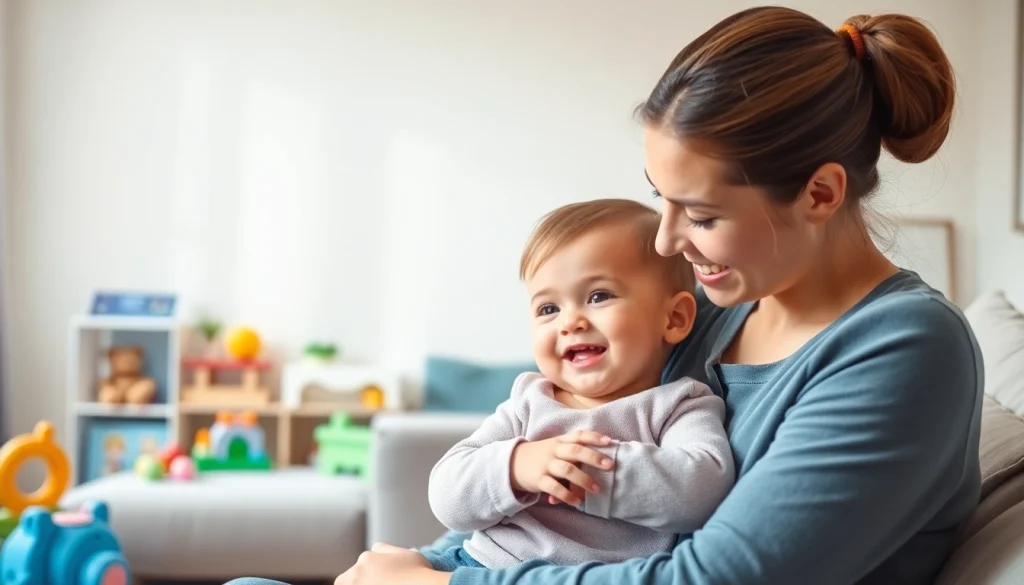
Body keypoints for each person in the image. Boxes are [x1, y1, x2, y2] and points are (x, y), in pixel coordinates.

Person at [227, 5, 983, 585]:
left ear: (820, 192)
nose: (665, 241)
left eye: (704, 214)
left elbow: (718, 578)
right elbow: (533, 468)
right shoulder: (720, 310)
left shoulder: (902, 350)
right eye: (660, 198)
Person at [422, 199, 735, 571]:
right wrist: (518, 466)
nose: (569, 322)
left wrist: (583, 469)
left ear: (674, 318)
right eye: (548, 309)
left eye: (598, 296)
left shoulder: (679, 405)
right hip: (478, 565)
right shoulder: (530, 401)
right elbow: (447, 496)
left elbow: (701, 488)